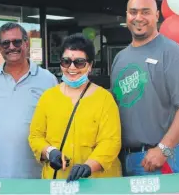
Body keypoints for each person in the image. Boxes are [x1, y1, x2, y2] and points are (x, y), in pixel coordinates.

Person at [110, 0, 179, 176]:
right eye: (133, 12)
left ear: (157, 15)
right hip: (129, 159)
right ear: (126, 15)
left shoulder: (173, 54)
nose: (138, 18)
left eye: (145, 12)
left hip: (167, 157)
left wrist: (164, 149)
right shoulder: (120, 58)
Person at [29, 33, 122, 182]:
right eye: (66, 62)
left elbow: (111, 141)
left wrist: (89, 166)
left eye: (79, 62)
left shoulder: (104, 99)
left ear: (90, 65)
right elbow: (36, 136)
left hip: (97, 183)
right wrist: (50, 152)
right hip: (58, 183)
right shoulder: (48, 97)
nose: (72, 67)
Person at [0, 22, 58, 179]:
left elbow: (56, 123)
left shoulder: (48, 80)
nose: (11, 46)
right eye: (5, 43)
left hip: (34, 175)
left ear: (26, 43)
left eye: (17, 41)